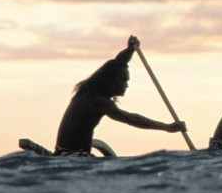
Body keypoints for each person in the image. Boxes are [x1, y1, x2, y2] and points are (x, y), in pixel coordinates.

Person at [53, 36, 187, 156]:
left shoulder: (87, 93)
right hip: (70, 157)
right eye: (123, 80)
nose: (126, 85)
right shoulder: (98, 101)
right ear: (110, 80)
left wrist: (130, 50)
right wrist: (166, 127)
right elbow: (130, 118)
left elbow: (118, 62)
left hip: (64, 154)